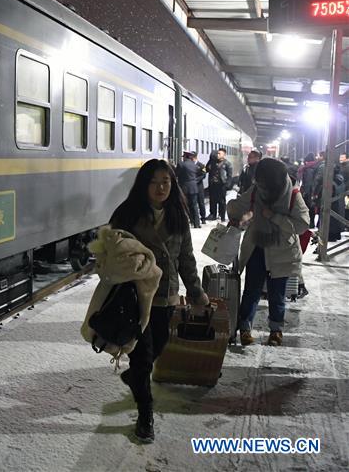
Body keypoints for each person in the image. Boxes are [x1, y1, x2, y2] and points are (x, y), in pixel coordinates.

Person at [110, 159, 209, 443]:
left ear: (173, 184)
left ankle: (134, 377)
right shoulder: (127, 213)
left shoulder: (178, 214)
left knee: (160, 344)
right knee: (143, 358)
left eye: (165, 181)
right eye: (153, 182)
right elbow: (110, 250)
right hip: (135, 297)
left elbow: (186, 258)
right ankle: (145, 415)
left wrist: (196, 292)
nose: (160, 187)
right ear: (143, 184)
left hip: (166, 296)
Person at [227, 158, 309, 347]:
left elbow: (302, 225)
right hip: (257, 248)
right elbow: (239, 206)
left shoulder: (293, 195)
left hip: (282, 253)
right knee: (251, 291)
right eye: (259, 182)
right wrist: (235, 212)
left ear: (274, 182)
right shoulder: (256, 190)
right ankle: (245, 328)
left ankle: (275, 331)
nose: (260, 186)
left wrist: (274, 217)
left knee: (277, 294)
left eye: (264, 183)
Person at [175, 151, 202, 228]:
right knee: (194, 206)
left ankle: (187, 222)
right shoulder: (194, 165)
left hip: (184, 188)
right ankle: (197, 223)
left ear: (185, 157)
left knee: (184, 205)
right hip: (194, 187)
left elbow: (176, 174)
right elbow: (200, 173)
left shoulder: (181, 164)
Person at [207, 148, 233, 221]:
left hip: (221, 185)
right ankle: (213, 215)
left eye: (219, 154)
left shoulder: (227, 163)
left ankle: (222, 216)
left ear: (224, 155)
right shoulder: (213, 162)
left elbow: (229, 175)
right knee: (213, 200)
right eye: (217, 153)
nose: (217, 155)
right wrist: (210, 160)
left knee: (222, 201)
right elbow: (207, 169)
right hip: (213, 184)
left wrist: (227, 185)